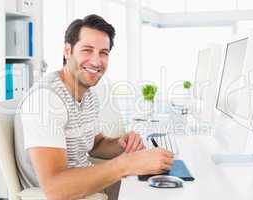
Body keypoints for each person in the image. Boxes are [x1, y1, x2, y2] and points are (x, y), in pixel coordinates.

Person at [14, 14, 174, 200]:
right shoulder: (46, 101)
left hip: (91, 188)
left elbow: (96, 145)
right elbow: (54, 188)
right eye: (87, 50)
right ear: (67, 51)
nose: (97, 61)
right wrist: (127, 164)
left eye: (103, 53)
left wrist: (121, 144)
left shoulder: (87, 93)